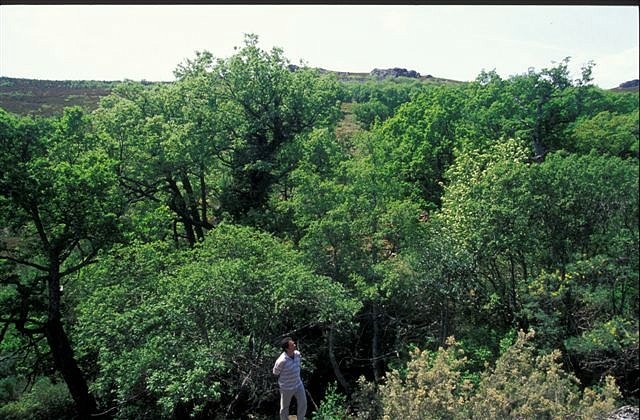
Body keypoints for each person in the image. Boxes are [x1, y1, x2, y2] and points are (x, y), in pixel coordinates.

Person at [273, 337, 307, 420]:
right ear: (287, 349)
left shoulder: (297, 354)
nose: (295, 345)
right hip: (286, 387)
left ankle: (300, 419)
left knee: (303, 403)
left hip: (298, 384)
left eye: (294, 343)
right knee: (284, 408)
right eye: (292, 345)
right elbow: (275, 372)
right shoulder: (281, 361)